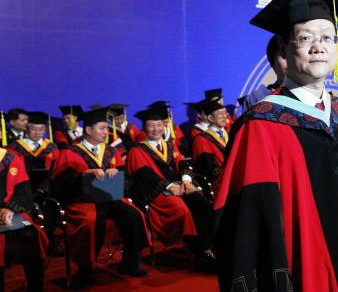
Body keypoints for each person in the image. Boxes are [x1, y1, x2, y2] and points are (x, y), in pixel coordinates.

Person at [214, 0, 338, 291]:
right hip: (304, 267)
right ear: (284, 49)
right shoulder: (262, 124)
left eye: (327, 37)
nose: (318, 47)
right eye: (305, 38)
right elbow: (248, 219)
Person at [51, 108, 150, 287]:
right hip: (84, 201)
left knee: (134, 214)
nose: (106, 132)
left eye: (107, 128)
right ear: (88, 130)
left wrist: (117, 172)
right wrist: (84, 175)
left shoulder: (111, 151)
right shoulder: (70, 153)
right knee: (91, 222)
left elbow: (126, 177)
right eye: (102, 128)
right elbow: (60, 186)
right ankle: (85, 269)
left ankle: (130, 262)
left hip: (111, 197)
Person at [126, 105, 216, 271]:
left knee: (202, 204)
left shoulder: (169, 145)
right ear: (144, 128)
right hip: (156, 192)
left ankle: (212, 247)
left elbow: (183, 163)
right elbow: (144, 175)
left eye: (159, 125)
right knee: (182, 211)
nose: (156, 129)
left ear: (164, 125)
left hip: (179, 188)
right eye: (151, 125)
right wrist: (169, 186)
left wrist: (186, 181)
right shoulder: (137, 150)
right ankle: (201, 253)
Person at [0, 147, 47, 292]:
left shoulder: (10, 159)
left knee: (31, 234)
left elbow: (24, 193)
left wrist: (9, 209)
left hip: (10, 210)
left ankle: (36, 287)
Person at [7, 111, 58, 200]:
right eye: (33, 129)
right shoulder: (15, 147)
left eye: (41, 129)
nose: (37, 132)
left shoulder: (52, 148)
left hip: (47, 190)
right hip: (21, 189)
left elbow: (56, 170)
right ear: (26, 129)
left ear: (45, 130)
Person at [241, 35, 288, 113]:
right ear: (273, 62)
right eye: (284, 55)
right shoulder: (256, 99)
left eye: (294, 54)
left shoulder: (309, 94)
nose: (291, 61)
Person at [191, 100, 227, 182]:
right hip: (217, 181)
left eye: (225, 113)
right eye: (220, 114)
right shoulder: (202, 139)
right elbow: (206, 167)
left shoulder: (228, 134)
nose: (224, 116)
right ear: (210, 118)